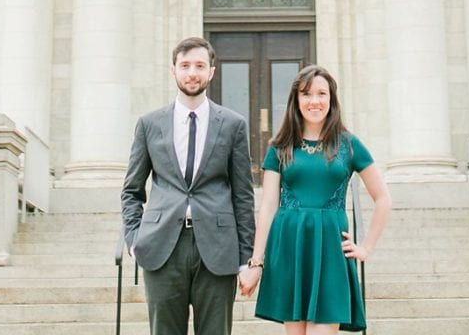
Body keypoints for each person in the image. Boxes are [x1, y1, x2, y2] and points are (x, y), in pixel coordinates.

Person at [239, 64, 391, 334]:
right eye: (307, 94)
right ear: (296, 101)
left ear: (331, 99)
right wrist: (256, 262)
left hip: (331, 249)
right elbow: (268, 206)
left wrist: (365, 247)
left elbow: (383, 198)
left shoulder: (348, 144)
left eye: (322, 94)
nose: (314, 101)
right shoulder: (280, 146)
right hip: (289, 246)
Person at [122, 36, 255, 335]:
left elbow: (243, 196)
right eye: (185, 65)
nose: (192, 72)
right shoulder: (149, 124)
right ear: (173, 71)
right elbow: (131, 190)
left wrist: (247, 258)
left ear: (211, 72)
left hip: (218, 248)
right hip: (161, 246)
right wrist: (133, 237)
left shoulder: (233, 125)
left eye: (199, 65)